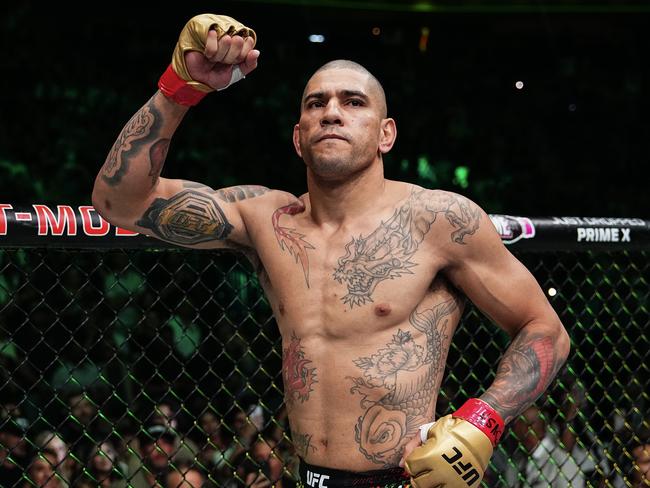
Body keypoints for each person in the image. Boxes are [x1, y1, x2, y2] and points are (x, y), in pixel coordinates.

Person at [91, 12, 571, 487]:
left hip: (407, 479)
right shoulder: (267, 219)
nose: (332, 112)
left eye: (353, 102)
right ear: (299, 138)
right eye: (315, 103)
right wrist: (182, 85)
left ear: (386, 134)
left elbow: (546, 329)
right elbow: (121, 201)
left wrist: (481, 421)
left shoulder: (439, 220)